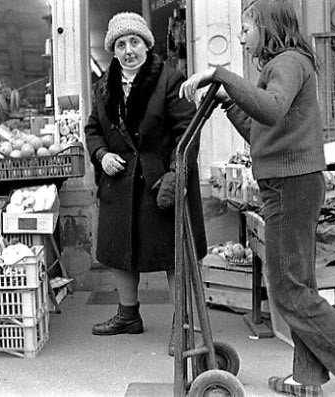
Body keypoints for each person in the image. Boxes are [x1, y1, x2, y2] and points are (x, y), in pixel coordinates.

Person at [179, 1, 335, 396]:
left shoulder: (285, 64)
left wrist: (220, 75)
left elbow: (270, 108)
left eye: (246, 29)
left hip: (290, 185)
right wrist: (229, 103)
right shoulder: (285, 65)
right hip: (291, 181)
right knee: (299, 285)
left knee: (287, 290)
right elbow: (263, 131)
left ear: (266, 26)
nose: (241, 37)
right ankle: (307, 378)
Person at [85, 11, 207, 355]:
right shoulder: (103, 86)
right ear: (112, 50)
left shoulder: (170, 79)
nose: (128, 50)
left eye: (134, 42)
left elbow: (188, 130)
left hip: (160, 182)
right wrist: (101, 155)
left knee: (173, 254)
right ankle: (128, 316)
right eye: (120, 44)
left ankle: (183, 325)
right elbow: (93, 129)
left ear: (146, 44)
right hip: (120, 181)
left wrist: (176, 173)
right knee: (119, 251)